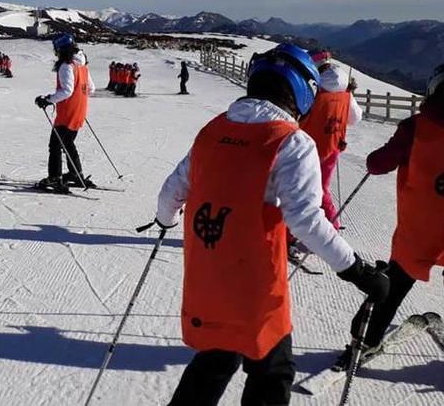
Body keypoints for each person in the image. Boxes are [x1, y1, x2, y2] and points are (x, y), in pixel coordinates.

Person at [154, 43, 389, 405]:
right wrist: (357, 271)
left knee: (215, 360)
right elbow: (307, 219)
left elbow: (171, 191)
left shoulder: (212, 131)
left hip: (207, 277)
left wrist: (165, 221)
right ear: (301, 90)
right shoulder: (291, 143)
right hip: (256, 286)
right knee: (272, 373)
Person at [334, 63, 444, 369]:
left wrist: (378, 158)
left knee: (391, 288)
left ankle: (362, 343)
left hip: (419, 232)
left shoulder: (415, 128)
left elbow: (378, 164)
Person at [299, 53, 363, 229]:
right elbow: (355, 118)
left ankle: (296, 232)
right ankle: (332, 223)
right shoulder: (346, 92)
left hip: (307, 147)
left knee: (301, 190)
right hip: (333, 145)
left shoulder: (312, 90)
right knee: (322, 188)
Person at [34, 33, 96, 192]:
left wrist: (48, 99)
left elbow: (67, 91)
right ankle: (76, 174)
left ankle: (55, 178)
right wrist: (78, 99)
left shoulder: (67, 65)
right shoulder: (82, 65)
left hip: (68, 113)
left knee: (55, 145)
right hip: (79, 111)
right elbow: (91, 89)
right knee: (67, 143)